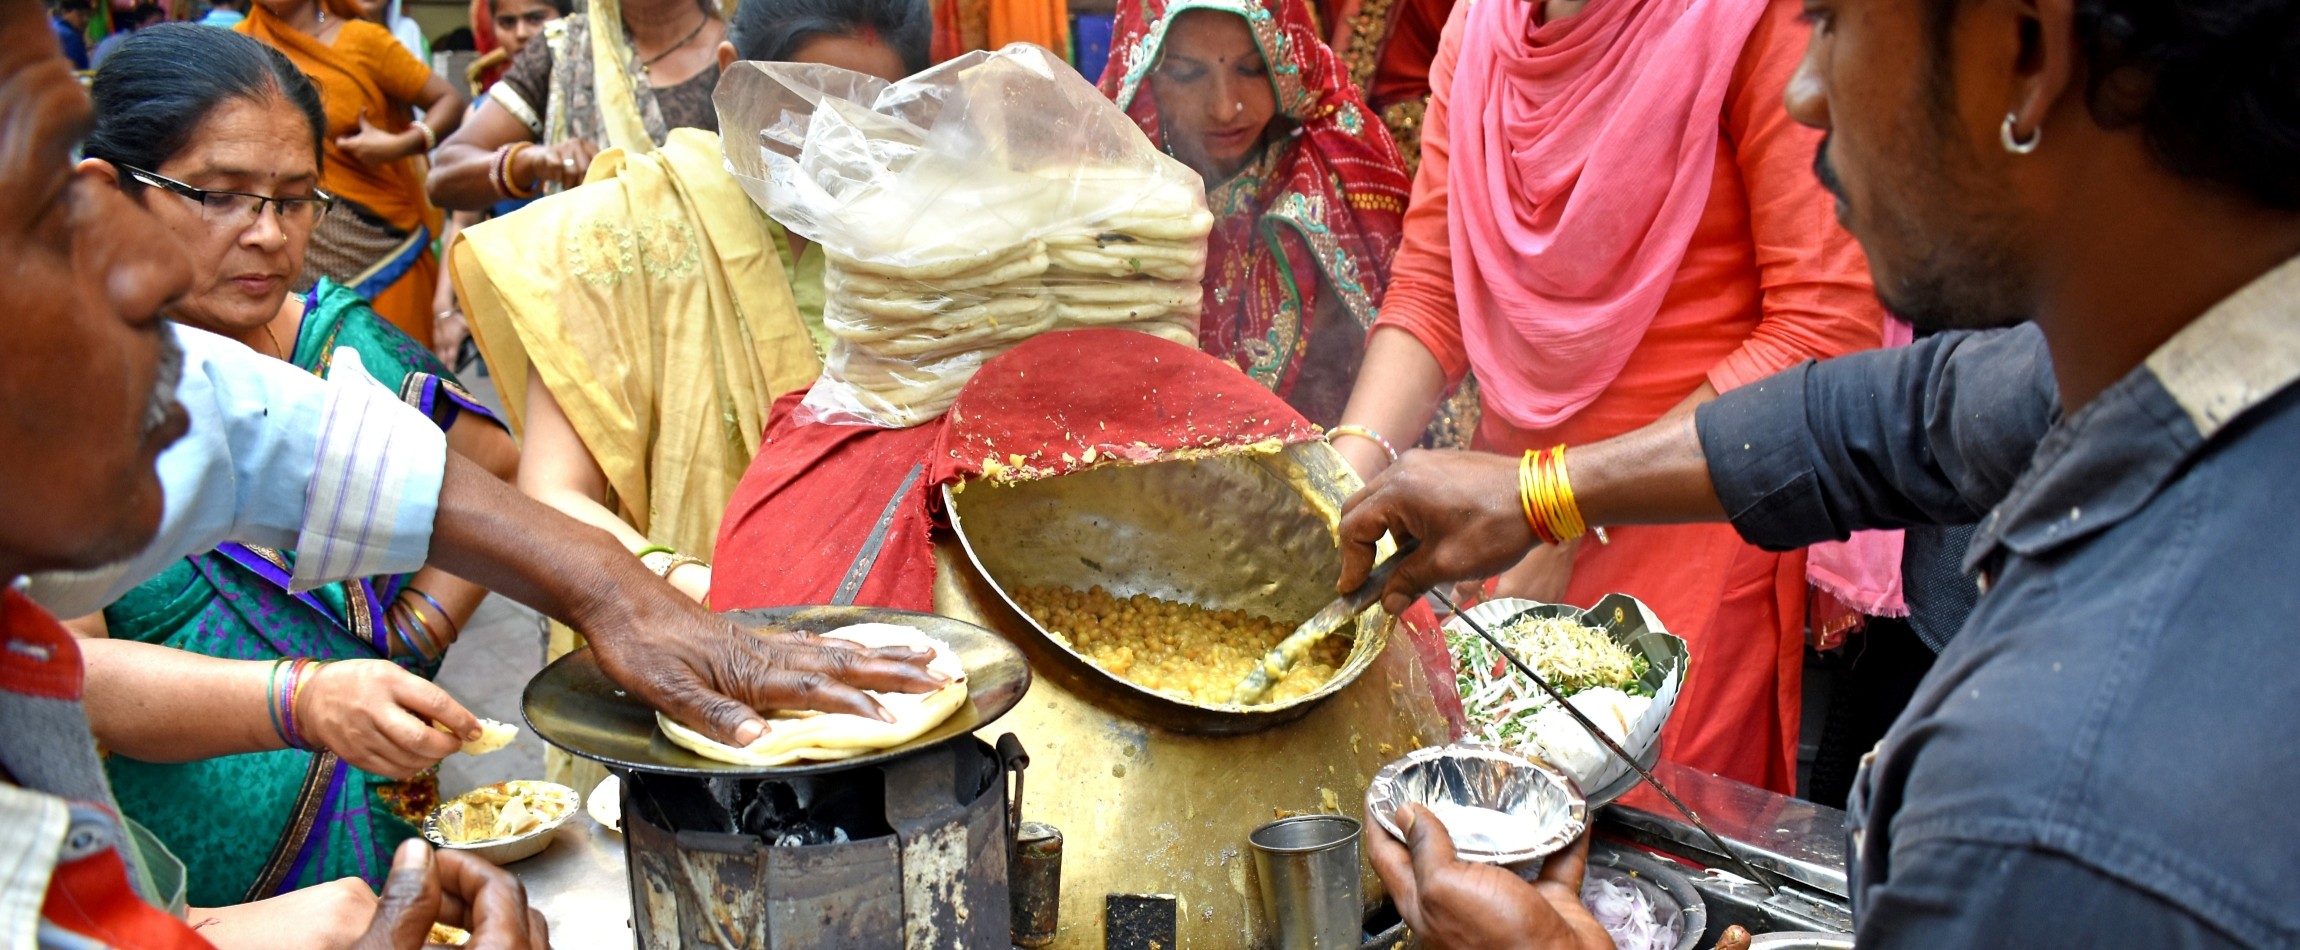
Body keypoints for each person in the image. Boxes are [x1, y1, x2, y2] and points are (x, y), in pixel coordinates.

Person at [1340, 0, 2300, 939]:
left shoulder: (2038, 812)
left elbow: (1827, 343)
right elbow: (1891, 414)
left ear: (2026, 51)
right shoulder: (2127, 358)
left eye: (1835, 22)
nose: (1806, 92)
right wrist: (1541, 494)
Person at [1329, 0, 1886, 793]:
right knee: (1486, 833)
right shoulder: (1481, 27)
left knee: (1650, 873)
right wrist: (1334, 489)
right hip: (1499, 530)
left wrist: (1561, 507)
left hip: (1690, 513)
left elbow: (1820, 333)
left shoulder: (1760, 20)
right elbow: (1432, 289)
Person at [70, 24, 529, 909]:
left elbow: (489, 461)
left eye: (294, 199)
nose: (268, 236)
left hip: (387, 823)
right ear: (110, 200)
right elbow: (74, 672)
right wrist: (306, 699)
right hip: (194, 881)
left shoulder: (339, 347)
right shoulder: (62, 395)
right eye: (222, 197)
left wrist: (415, 634)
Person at [448, 0, 928, 790]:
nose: (836, 147)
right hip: (670, 657)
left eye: (872, 115)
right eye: (805, 108)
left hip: (878, 661)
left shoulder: (928, 244)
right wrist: (712, 604)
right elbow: (550, 492)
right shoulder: (610, 234)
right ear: (734, 75)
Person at [1097, 0, 1411, 427]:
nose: (1226, 107)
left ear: (1284, 59)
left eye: (1251, 69)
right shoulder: (1105, 192)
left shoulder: (1336, 171)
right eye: (1188, 73)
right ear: (1144, 71)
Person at [237, 0, 468, 345]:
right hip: (283, 257)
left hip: (386, 251)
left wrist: (400, 144)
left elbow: (448, 100)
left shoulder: (362, 40)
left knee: (399, 389)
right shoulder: (237, 48)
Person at [425, 0, 730, 212]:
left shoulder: (748, 43)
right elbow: (444, 175)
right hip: (597, 298)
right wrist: (531, 160)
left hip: (735, 289)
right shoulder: (565, 49)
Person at [88, 1, 165, 67]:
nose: (160, 28)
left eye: (162, 23)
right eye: (155, 23)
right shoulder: (124, 44)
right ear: (139, 26)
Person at [51, 0, 91, 68]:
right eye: (80, 14)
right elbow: (74, 67)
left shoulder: (50, 25)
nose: (85, 19)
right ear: (64, 12)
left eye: (88, 15)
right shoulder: (70, 35)